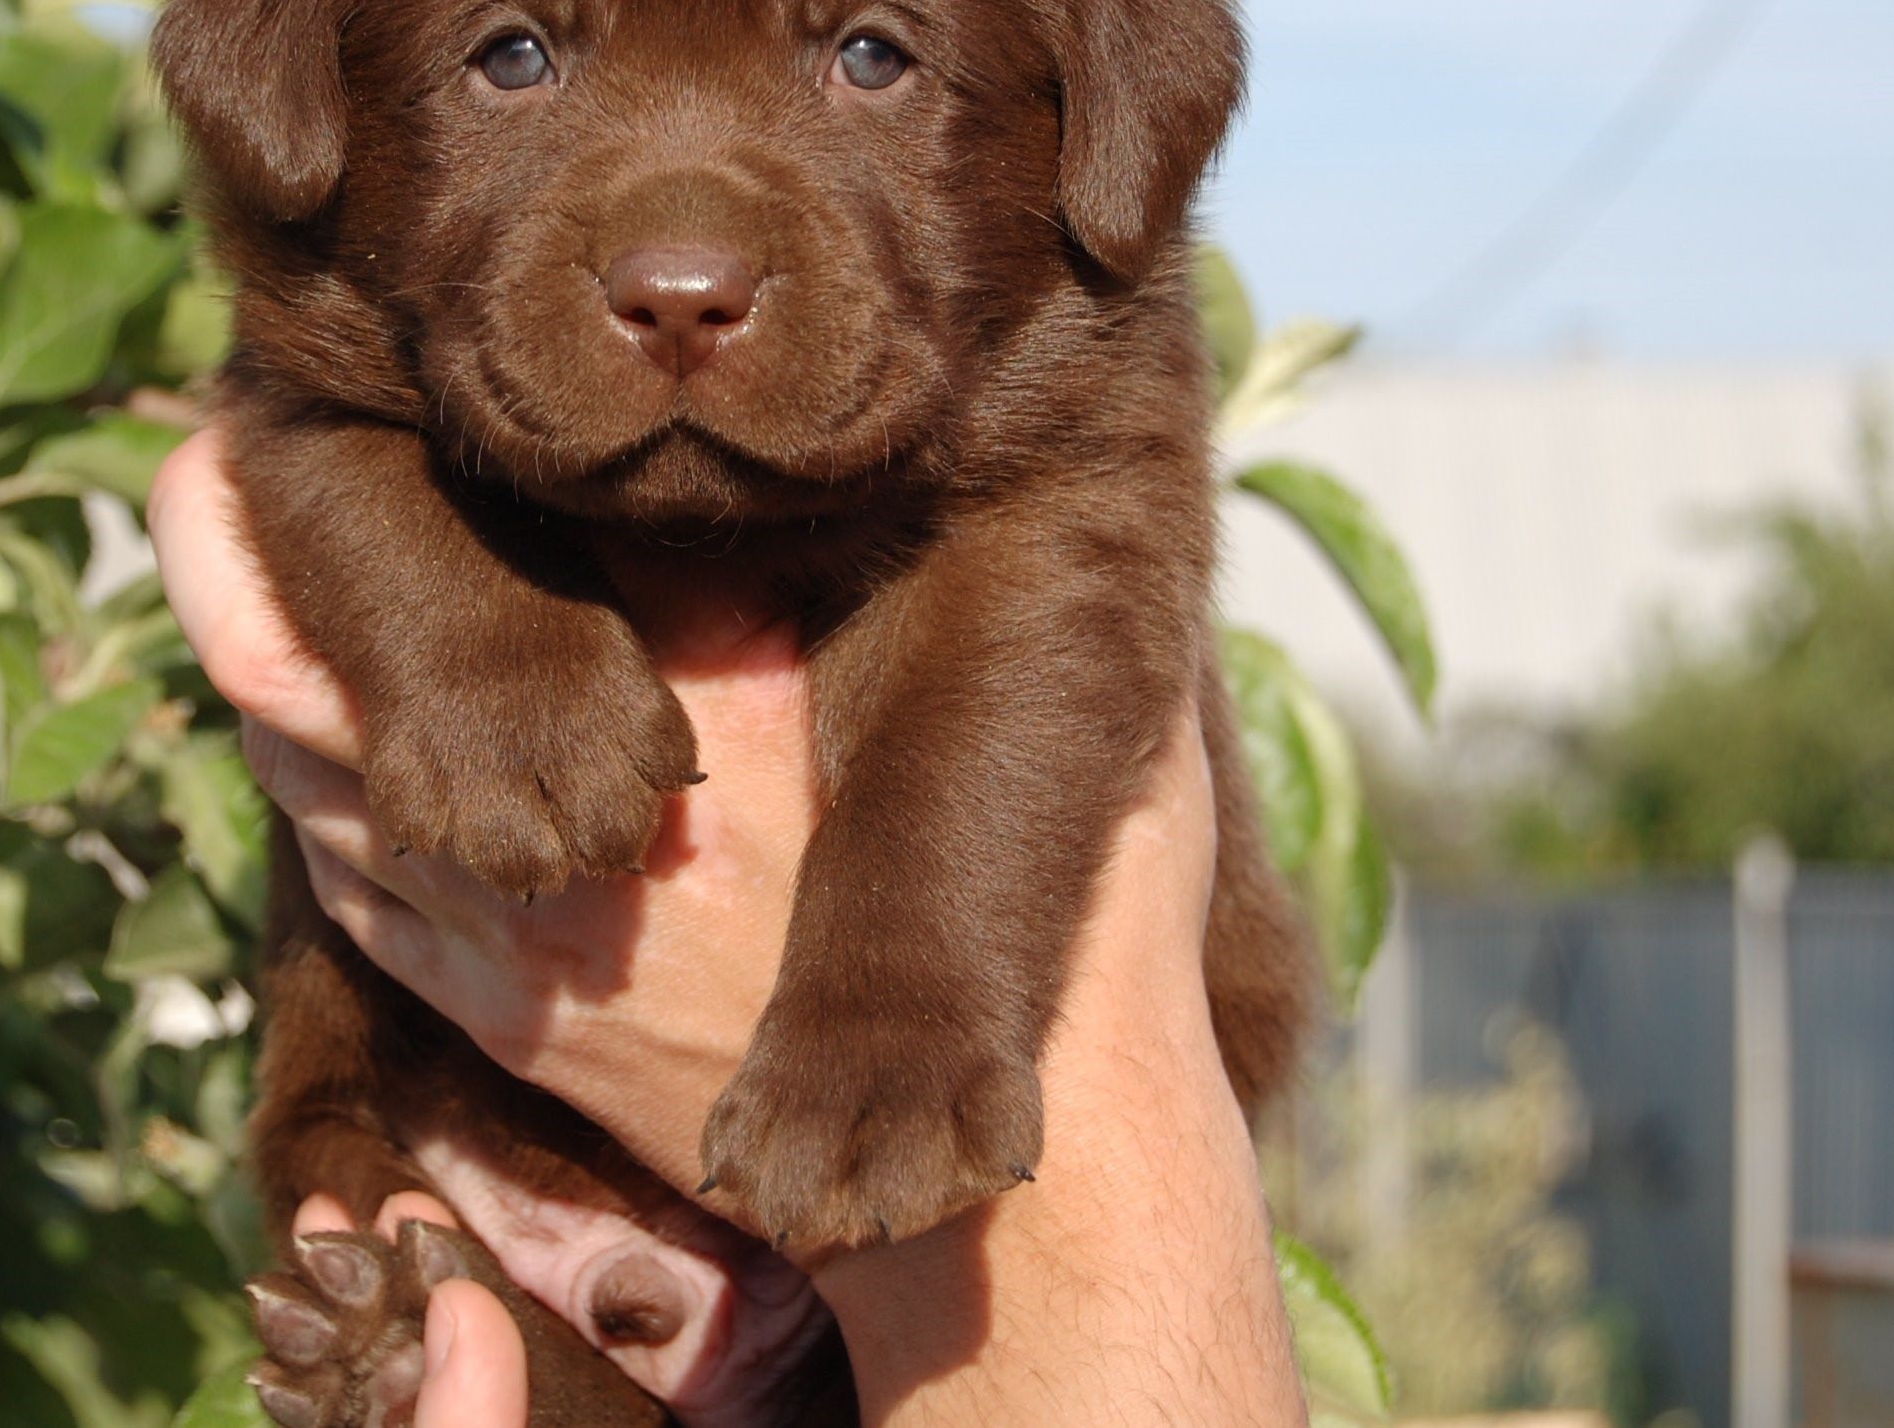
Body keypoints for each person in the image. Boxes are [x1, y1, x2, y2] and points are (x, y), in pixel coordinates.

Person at [150, 428, 1309, 1427]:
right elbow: (303, 406)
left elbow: (1066, 538)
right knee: (359, 1190)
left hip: (945, 1190)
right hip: (466, 1160)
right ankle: (547, 1369)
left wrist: (898, 1022)